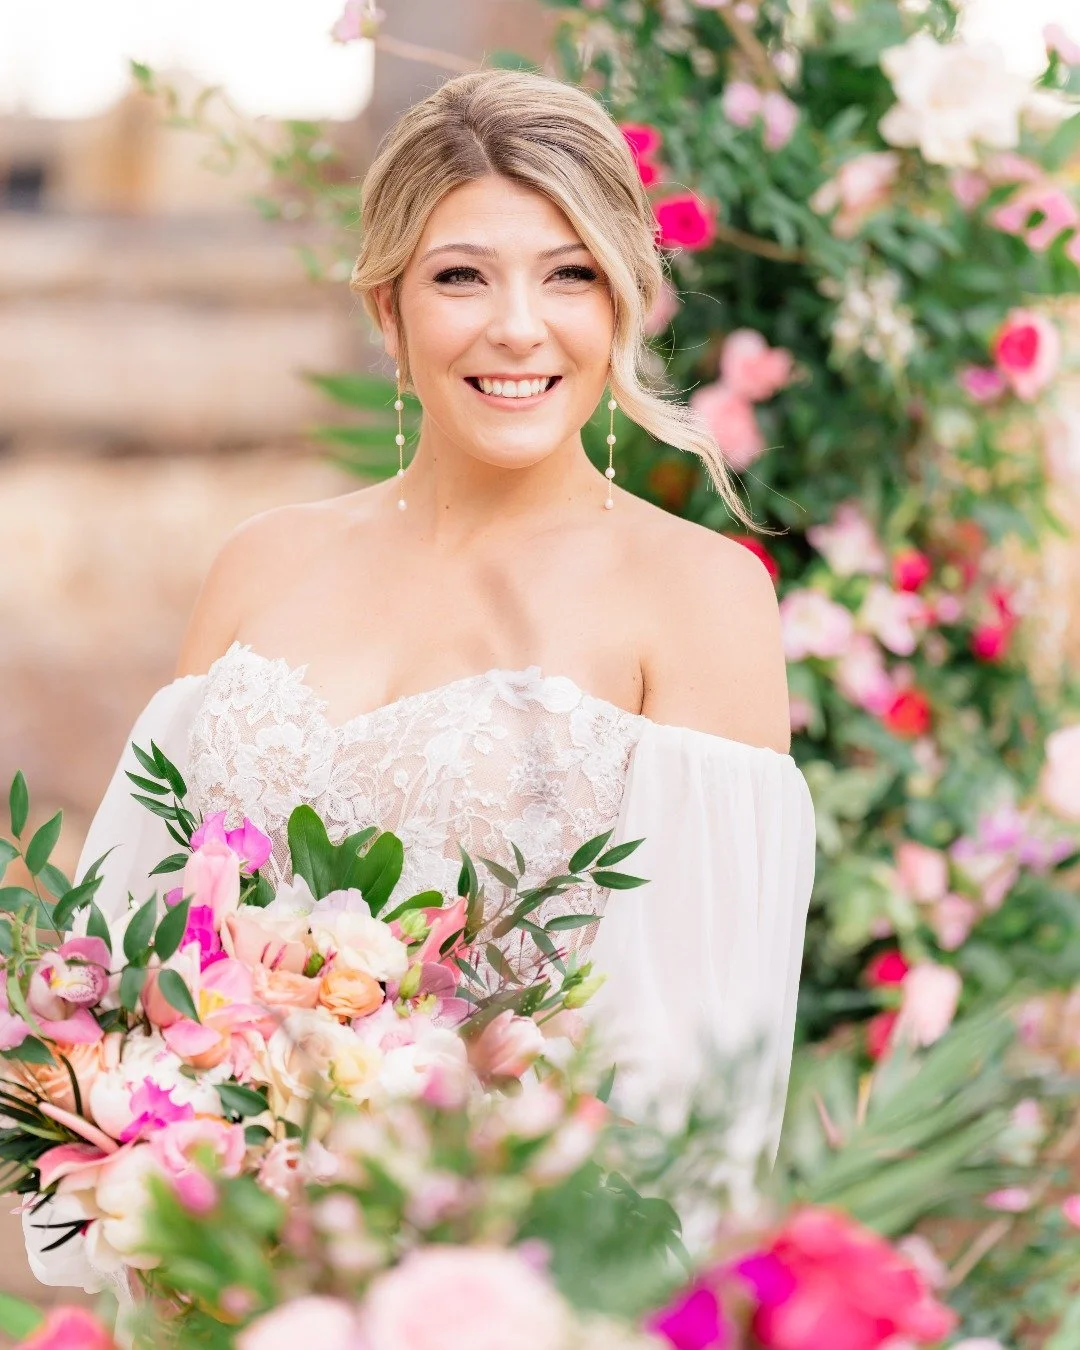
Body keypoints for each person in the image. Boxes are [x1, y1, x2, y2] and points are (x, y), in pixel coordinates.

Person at [23, 67, 815, 1295]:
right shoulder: (262, 561)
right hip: (217, 1276)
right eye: (462, 275)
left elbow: (694, 1080)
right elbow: (133, 965)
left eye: (570, 274)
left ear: (627, 307)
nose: (517, 326)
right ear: (387, 310)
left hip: (507, 1284)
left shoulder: (700, 597)